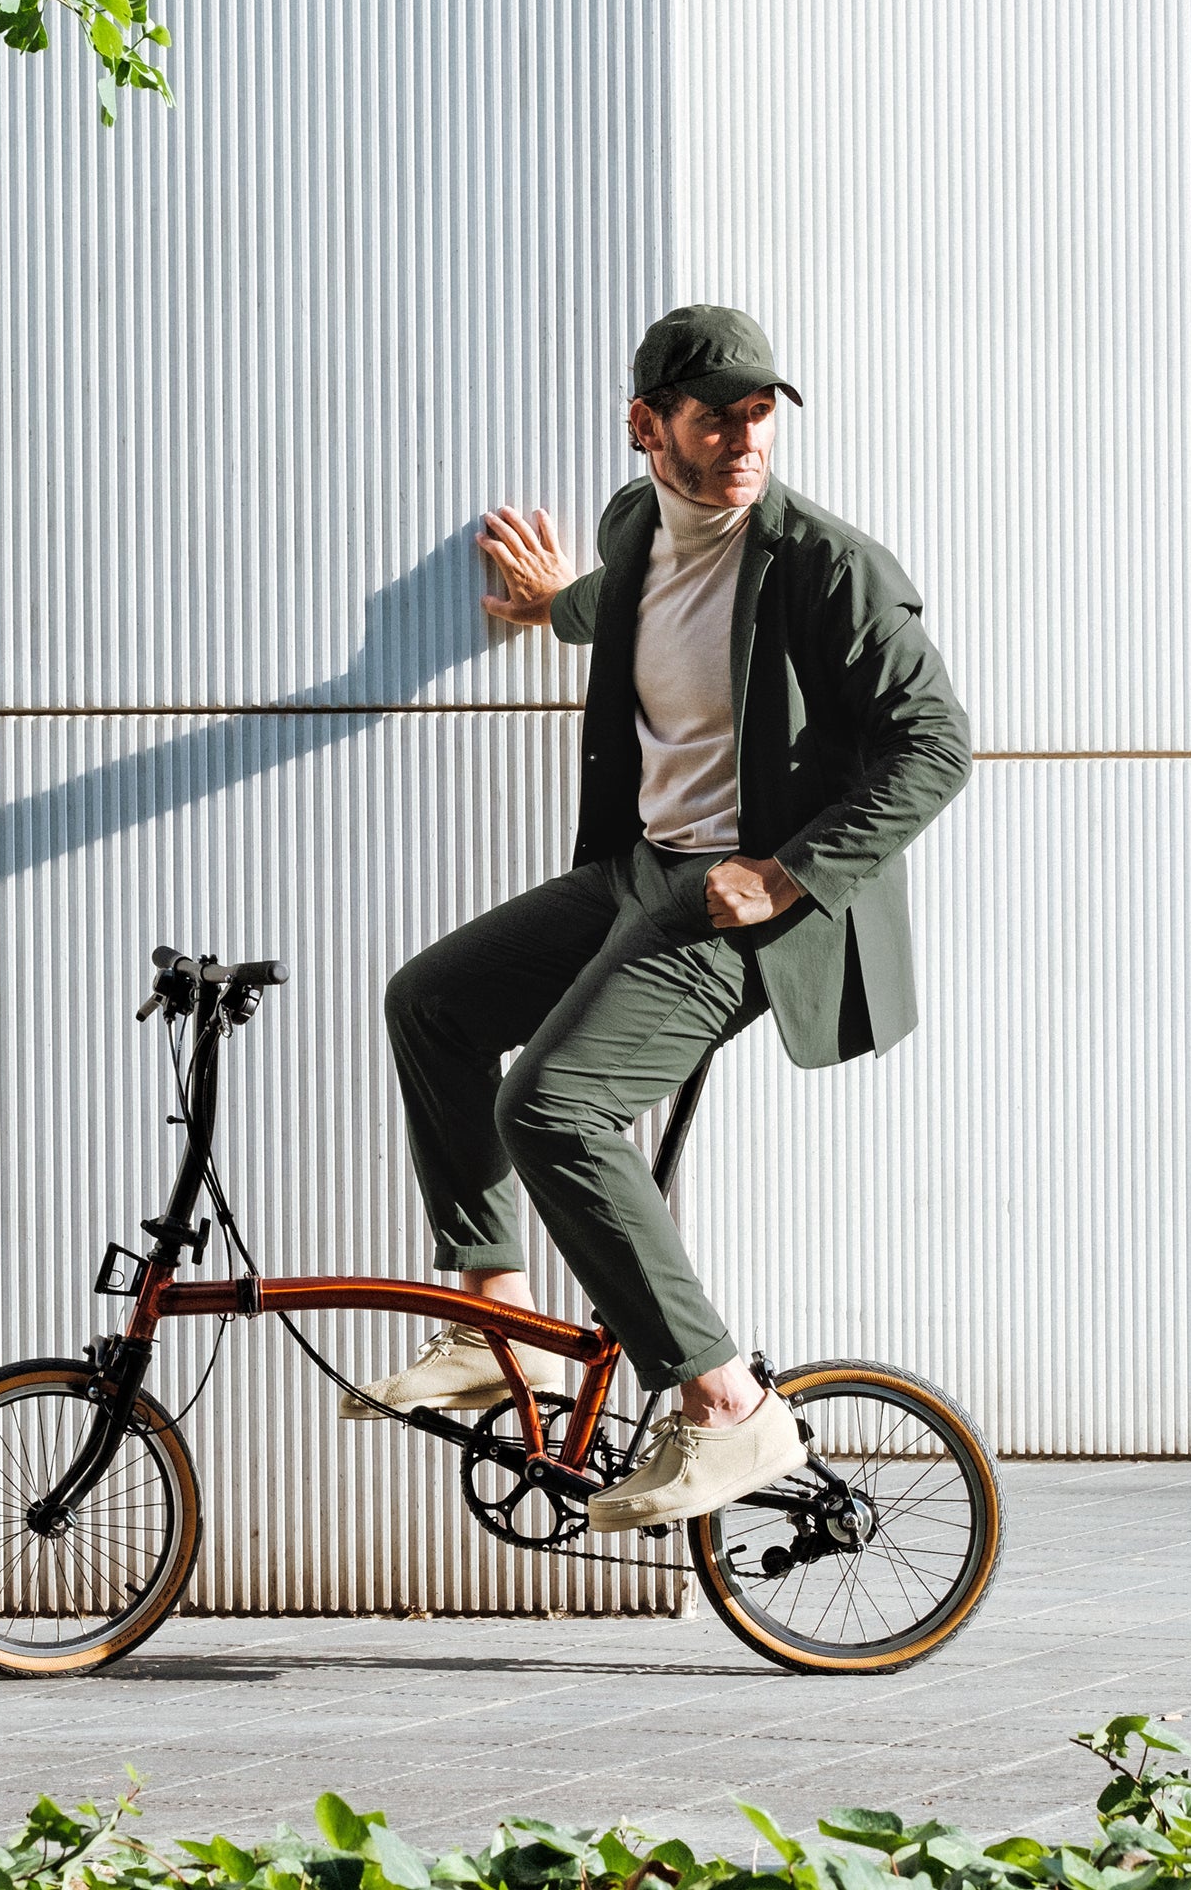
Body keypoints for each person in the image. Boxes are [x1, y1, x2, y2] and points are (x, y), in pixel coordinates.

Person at [346, 305, 973, 1534]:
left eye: (758, 415)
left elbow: (935, 746)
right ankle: (493, 1322)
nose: (744, 439)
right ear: (648, 428)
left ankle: (723, 1399)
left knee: (553, 1106)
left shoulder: (829, 568)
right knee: (430, 1000)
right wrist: (547, 608)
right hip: (642, 873)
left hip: (745, 909)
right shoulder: (635, 522)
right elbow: (625, 603)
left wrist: (788, 873)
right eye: (715, 415)